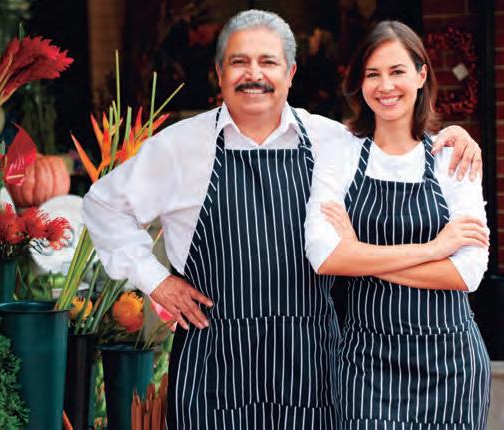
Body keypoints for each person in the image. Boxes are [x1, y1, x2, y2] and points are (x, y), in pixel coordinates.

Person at [83, 10, 481, 429]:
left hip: (312, 367)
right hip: (215, 362)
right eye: (239, 62)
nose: (254, 74)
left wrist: (453, 138)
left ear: (290, 73)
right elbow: (103, 206)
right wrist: (156, 280)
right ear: (219, 72)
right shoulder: (180, 146)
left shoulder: (333, 141)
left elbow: (399, 146)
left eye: (268, 62)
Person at [304, 21, 490, 428]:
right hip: (367, 363)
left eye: (397, 71)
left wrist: (360, 256)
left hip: (451, 365)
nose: (385, 85)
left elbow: (467, 273)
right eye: (373, 74)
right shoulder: (341, 152)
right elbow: (326, 257)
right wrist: (434, 249)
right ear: (359, 82)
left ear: (422, 75)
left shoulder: (452, 157)